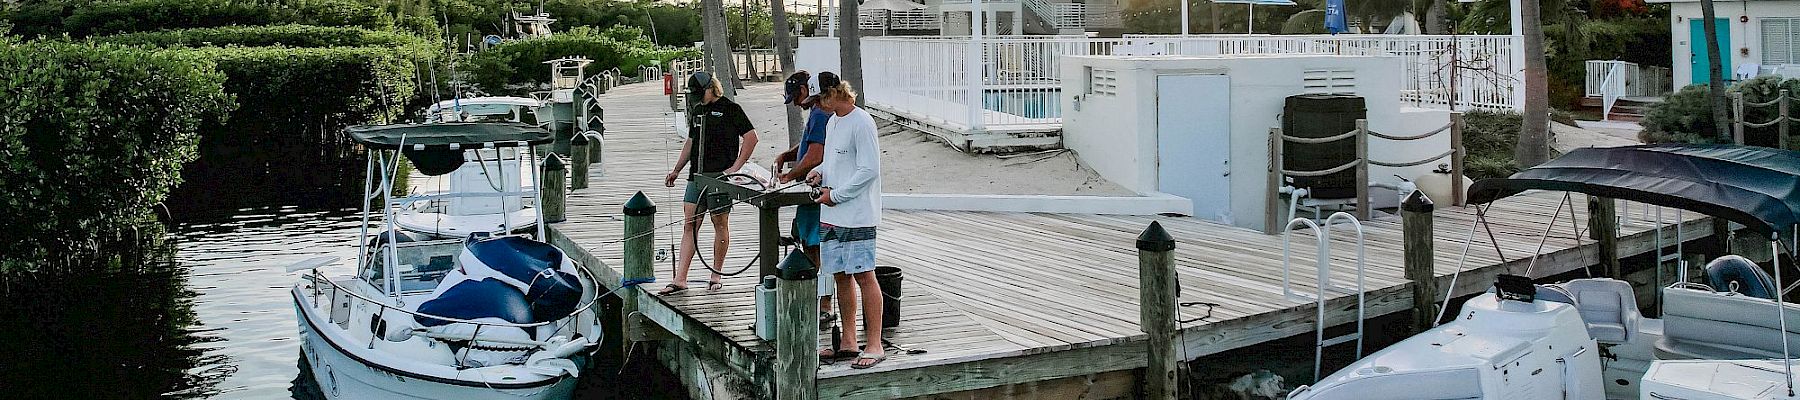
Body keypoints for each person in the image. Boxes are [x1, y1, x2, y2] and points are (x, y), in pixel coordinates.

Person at [809, 81, 886, 369]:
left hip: (856, 215)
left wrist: (837, 195)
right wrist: (819, 173)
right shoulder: (832, 123)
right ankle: (849, 342)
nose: (816, 104)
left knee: (864, 274)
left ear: (833, 94)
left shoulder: (862, 122)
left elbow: (869, 169)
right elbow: (833, 163)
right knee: (840, 275)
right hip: (831, 216)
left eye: (819, 98)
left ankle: (875, 344)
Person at [660, 72, 759, 295]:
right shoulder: (697, 111)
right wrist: (677, 169)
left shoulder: (731, 109)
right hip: (696, 175)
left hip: (720, 176)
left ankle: (716, 274)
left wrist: (735, 168)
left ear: (711, 88)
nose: (698, 97)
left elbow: (751, 137)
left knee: (719, 223)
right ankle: (680, 278)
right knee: (689, 224)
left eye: (700, 93)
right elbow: (691, 141)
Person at [773, 71, 842, 329]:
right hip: (812, 190)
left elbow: (815, 155)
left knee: (816, 248)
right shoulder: (816, 114)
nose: (793, 102)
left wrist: (789, 175)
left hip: (816, 192)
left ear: (806, 90)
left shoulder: (820, 115)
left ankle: (824, 307)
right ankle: (818, 300)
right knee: (809, 244)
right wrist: (787, 154)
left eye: (796, 96)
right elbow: (806, 146)